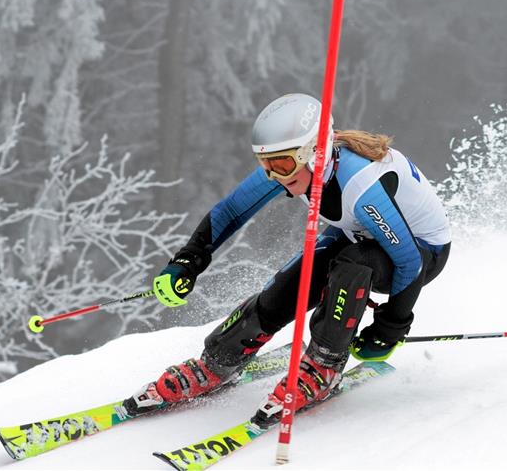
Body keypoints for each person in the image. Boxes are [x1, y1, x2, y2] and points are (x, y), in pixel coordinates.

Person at [131, 93, 451, 420]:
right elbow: (230, 211)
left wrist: (390, 326)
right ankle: (216, 362)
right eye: (265, 165)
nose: (274, 176)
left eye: (281, 164)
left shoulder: (360, 185)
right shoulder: (296, 169)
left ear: (315, 154)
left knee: (353, 263)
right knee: (289, 284)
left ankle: (324, 366)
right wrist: (188, 260)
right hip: (359, 232)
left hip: (421, 251)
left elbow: (409, 261)